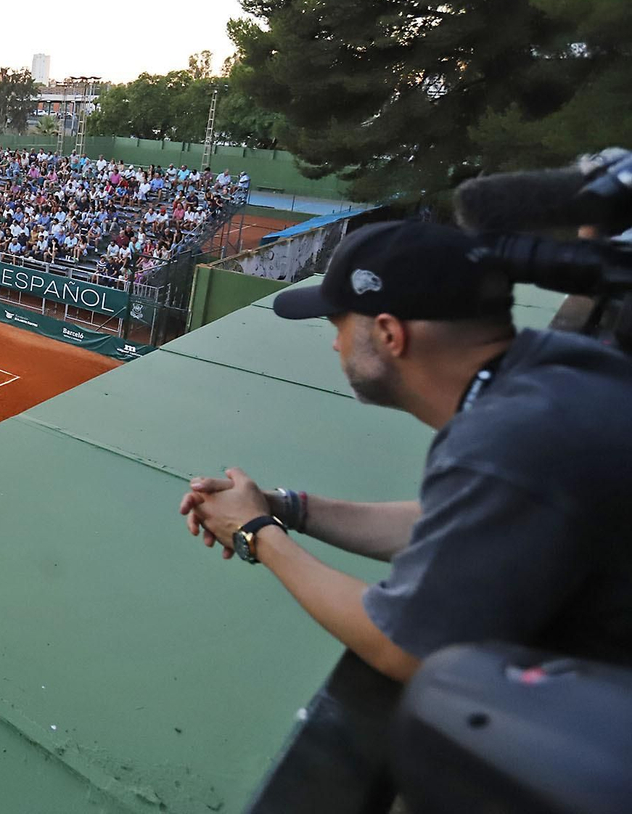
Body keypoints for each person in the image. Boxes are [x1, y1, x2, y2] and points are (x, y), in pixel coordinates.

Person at [178, 221, 632, 681]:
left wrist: (254, 532)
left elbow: (407, 648)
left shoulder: (509, 439)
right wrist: (282, 508)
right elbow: (454, 522)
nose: (336, 343)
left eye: (339, 325)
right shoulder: (551, 367)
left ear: (390, 335)